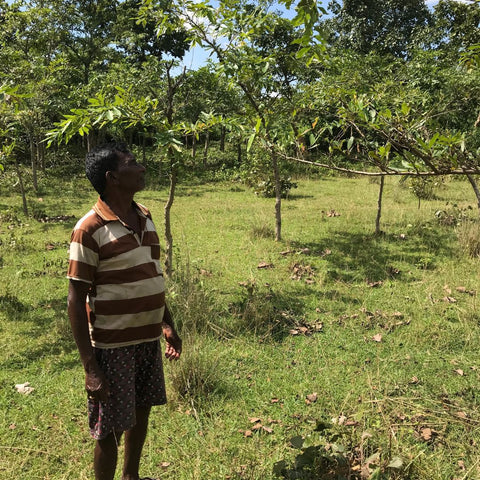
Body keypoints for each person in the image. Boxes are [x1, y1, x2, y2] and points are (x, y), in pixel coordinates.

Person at [67, 142, 182, 480]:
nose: (142, 168)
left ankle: (131, 476)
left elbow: (151, 276)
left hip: (146, 339)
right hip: (111, 346)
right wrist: (90, 368)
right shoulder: (88, 229)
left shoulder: (145, 216)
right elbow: (76, 299)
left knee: (141, 410)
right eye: (133, 163)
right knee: (109, 427)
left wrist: (167, 324)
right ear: (113, 177)